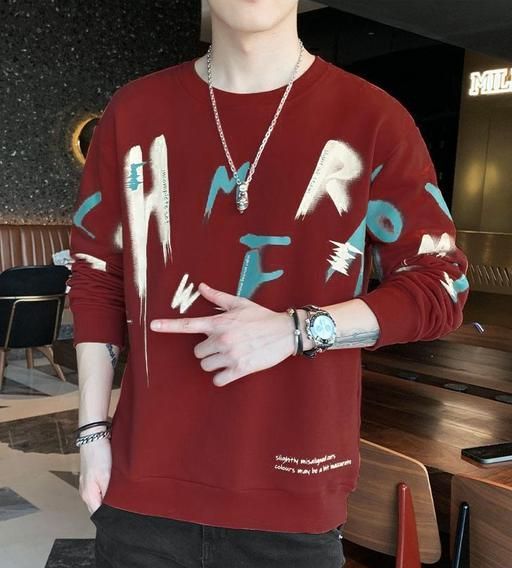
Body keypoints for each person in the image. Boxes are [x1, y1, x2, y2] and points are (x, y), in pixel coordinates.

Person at [68, 1, 469, 566]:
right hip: (142, 491)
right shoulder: (134, 111)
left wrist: (297, 330)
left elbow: (441, 286)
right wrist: (91, 434)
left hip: (294, 503)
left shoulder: (372, 117)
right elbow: (96, 275)